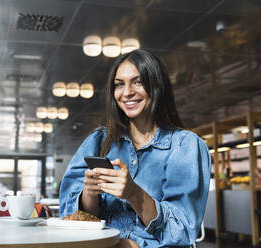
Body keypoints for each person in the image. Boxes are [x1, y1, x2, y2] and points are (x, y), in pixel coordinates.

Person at [59, 49, 211, 248]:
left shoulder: (185, 146)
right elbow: (71, 218)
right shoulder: (98, 141)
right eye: (119, 84)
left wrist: (134, 194)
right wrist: (89, 193)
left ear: (157, 85)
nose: (127, 92)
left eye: (138, 82)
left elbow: (181, 232)